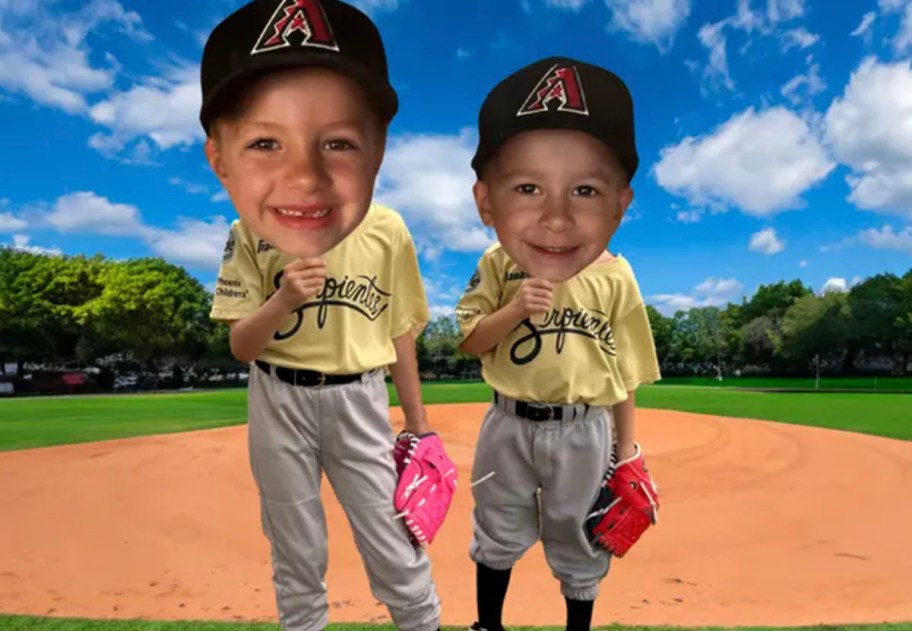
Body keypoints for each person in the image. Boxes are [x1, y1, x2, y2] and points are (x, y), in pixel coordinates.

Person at [201, 1, 446, 629]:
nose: (304, 173)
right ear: (220, 157)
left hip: (358, 399)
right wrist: (282, 299)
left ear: (376, 150)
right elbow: (241, 346)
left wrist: (417, 425)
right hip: (277, 397)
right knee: (297, 552)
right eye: (265, 142)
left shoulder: (387, 228)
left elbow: (399, 333)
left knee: (395, 546)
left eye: (337, 141)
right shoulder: (247, 232)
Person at [454, 56, 662, 631]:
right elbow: (471, 340)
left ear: (618, 203)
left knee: (581, 536)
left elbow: (622, 376)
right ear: (488, 200)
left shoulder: (617, 275)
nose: (556, 216)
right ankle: (486, 625)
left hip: (584, 427)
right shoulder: (497, 264)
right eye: (528, 187)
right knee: (495, 526)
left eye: (585, 189)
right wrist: (515, 308)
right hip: (508, 422)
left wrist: (627, 453)